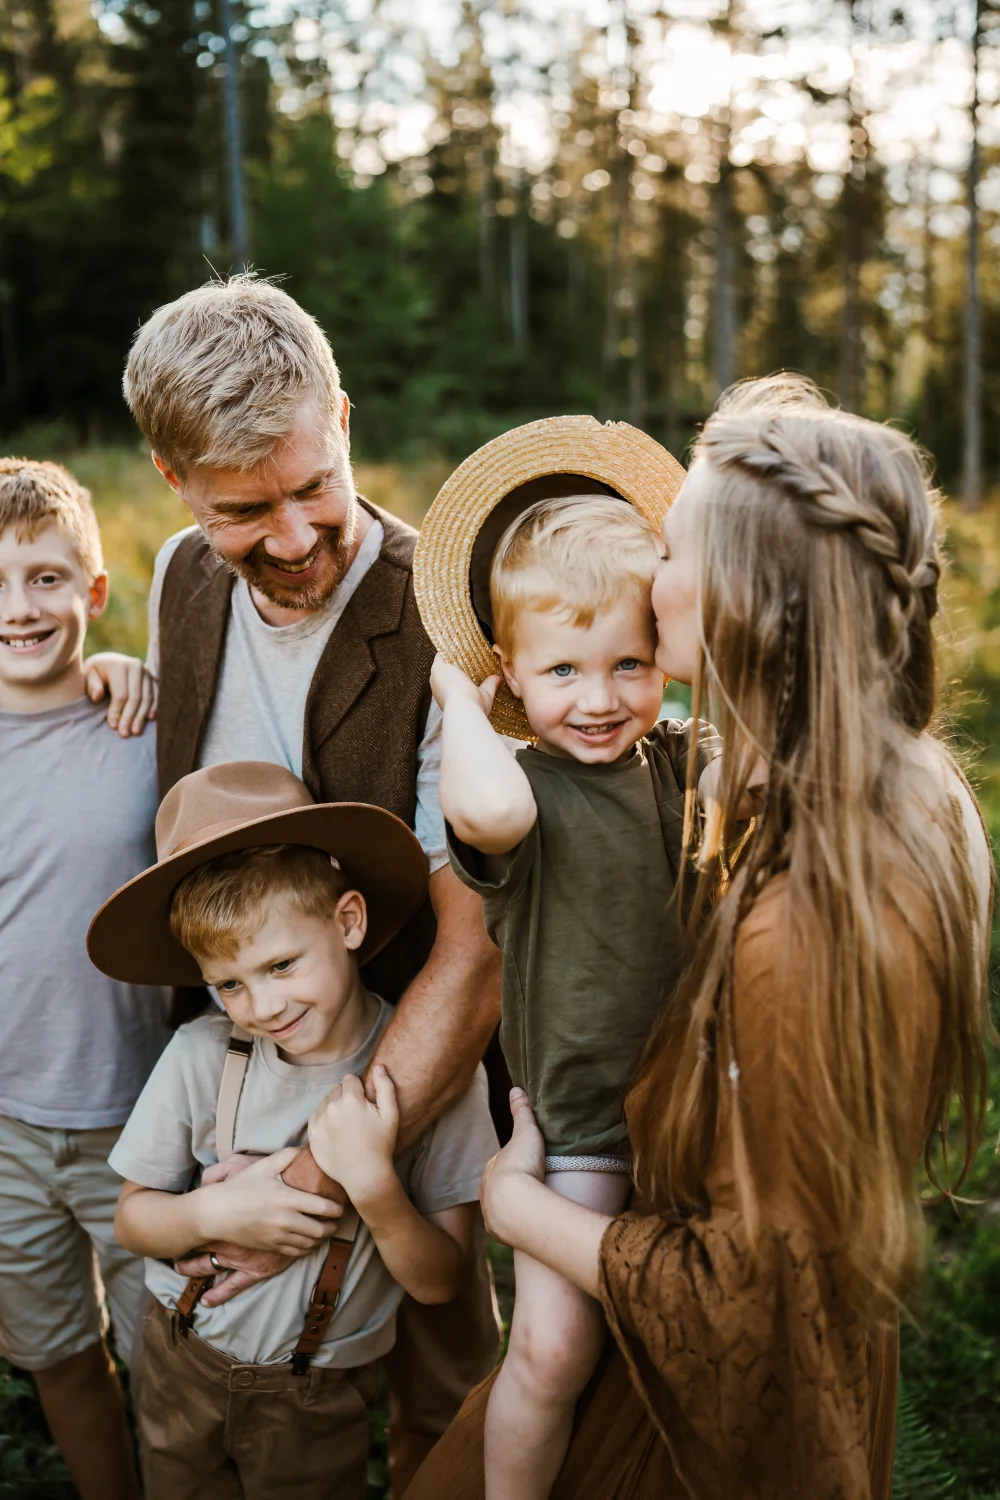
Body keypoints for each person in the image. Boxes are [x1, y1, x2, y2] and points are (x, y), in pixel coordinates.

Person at [403, 375, 994, 1500]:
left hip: (700, 1408)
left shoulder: (812, 921)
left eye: (670, 547)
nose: (647, 567)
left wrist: (520, 1208)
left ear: (742, 593)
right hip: (634, 1232)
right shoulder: (832, 783)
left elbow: (751, 1298)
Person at [84, 272, 504, 1491]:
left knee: (445, 1397)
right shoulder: (175, 575)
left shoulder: (443, 617)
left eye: (314, 486)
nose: (290, 538)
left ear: (346, 424)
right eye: (239, 509)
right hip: (229, 1069)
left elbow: (471, 950)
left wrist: (308, 1188)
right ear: (173, 483)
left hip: (405, 1094)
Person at [88, 759, 499, 1499]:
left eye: (282, 964)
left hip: (316, 1392)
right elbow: (132, 1217)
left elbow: (439, 1282)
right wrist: (207, 1212)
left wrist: (373, 1186)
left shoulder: (438, 1082)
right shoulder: (202, 1055)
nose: (261, 1005)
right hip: (181, 1358)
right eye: (230, 983)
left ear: (348, 921)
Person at [430, 495, 720, 1500]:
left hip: (701, 1120)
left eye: (627, 664)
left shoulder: (678, 761)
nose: (598, 699)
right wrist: (456, 699)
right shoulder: (523, 792)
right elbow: (485, 806)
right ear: (510, 674)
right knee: (552, 1354)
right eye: (561, 671)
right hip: (581, 1135)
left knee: (687, 1347)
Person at [0, 458, 171, 1500]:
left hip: (143, 1120)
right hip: (6, 1128)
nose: (20, 610)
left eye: (48, 579)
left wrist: (128, 669)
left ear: (96, 592)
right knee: (57, 1353)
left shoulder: (143, 728)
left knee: (169, 1359)